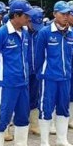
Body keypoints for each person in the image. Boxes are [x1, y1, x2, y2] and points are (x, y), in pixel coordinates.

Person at [0, 0, 38, 146]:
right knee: (2, 117)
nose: (28, 19)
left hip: (23, 82)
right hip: (6, 84)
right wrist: (4, 74)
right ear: (16, 15)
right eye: (26, 15)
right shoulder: (1, 34)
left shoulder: (24, 32)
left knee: (23, 115)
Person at [35, 1, 73, 146]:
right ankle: (44, 142)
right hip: (49, 78)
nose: (66, 17)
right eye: (63, 14)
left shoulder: (71, 33)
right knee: (46, 108)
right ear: (54, 14)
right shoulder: (45, 33)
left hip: (65, 77)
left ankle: (62, 139)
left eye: (68, 14)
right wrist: (43, 73)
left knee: (63, 108)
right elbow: (38, 57)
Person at [26, 7, 45, 135]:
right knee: (17, 100)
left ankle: (33, 124)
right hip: (22, 72)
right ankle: (7, 128)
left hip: (36, 71)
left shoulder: (40, 33)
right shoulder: (20, 32)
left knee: (35, 98)